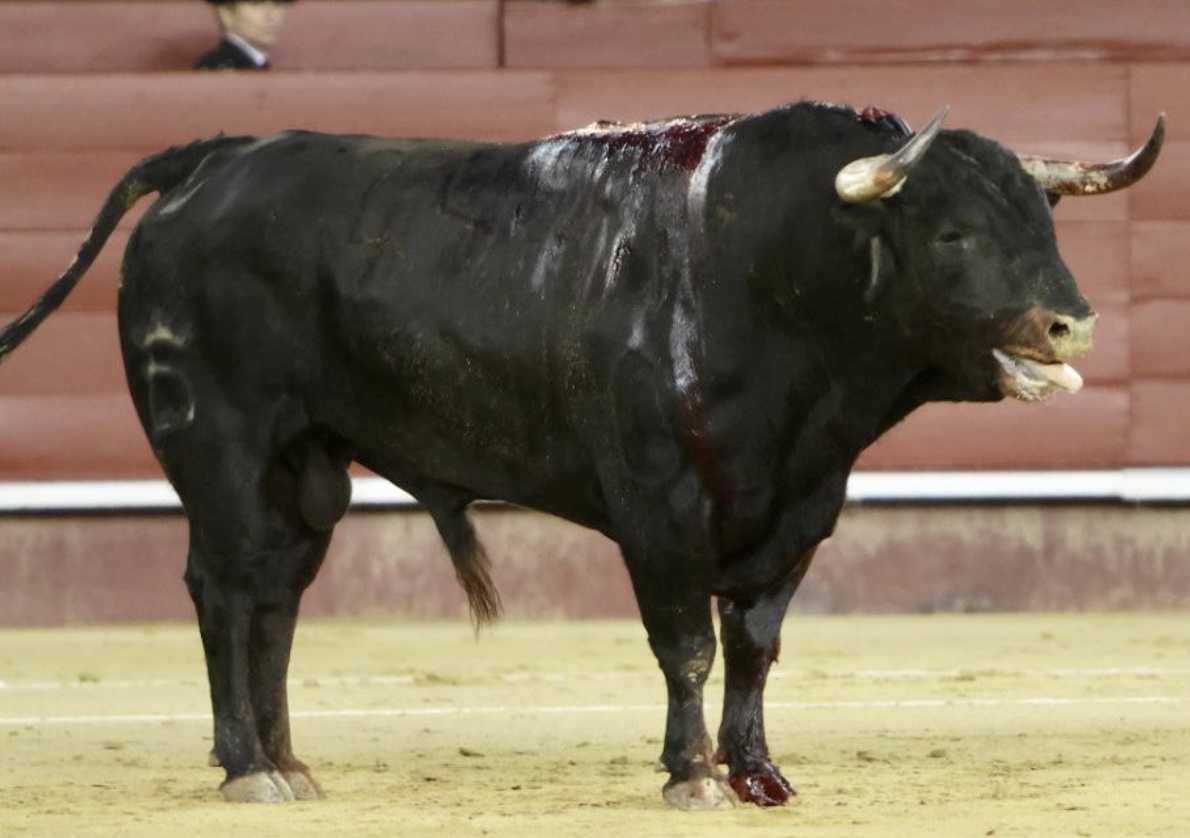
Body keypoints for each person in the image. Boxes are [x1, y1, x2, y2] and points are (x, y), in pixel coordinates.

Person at [195, 0, 296, 71]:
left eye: (277, 3)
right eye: (256, 3)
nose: (272, 16)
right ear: (226, 13)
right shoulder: (216, 68)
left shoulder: (258, 64)